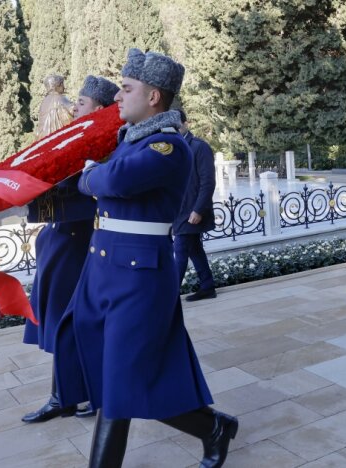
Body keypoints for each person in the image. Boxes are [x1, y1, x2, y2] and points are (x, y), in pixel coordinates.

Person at [53, 49, 238, 468]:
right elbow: (99, 179)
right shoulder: (128, 140)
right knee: (122, 375)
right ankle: (214, 427)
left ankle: (210, 430)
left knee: (120, 381)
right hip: (103, 270)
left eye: (128, 88)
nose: (118, 95)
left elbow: (113, 179)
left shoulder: (168, 146)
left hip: (139, 277)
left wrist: (88, 174)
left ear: (154, 96)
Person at [21, 76, 120, 423]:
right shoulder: (78, 140)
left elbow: (88, 190)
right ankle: (66, 395)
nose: (74, 106)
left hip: (76, 241)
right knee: (63, 322)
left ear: (101, 110)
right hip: (59, 238)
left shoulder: (102, 144)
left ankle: (75, 395)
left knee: (70, 322)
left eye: (82, 102)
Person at [174, 109, 217, 301]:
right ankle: (207, 286)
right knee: (194, 249)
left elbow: (208, 182)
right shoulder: (172, 147)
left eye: (177, 124)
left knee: (181, 249)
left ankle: (170, 295)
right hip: (179, 211)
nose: (174, 128)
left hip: (193, 211)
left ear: (186, 123)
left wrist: (199, 209)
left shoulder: (200, 147)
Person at [35, 75, 74, 140]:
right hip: (57, 137)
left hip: (43, 138)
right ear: (57, 86)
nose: (64, 87)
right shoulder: (59, 98)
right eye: (62, 84)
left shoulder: (45, 101)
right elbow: (73, 110)